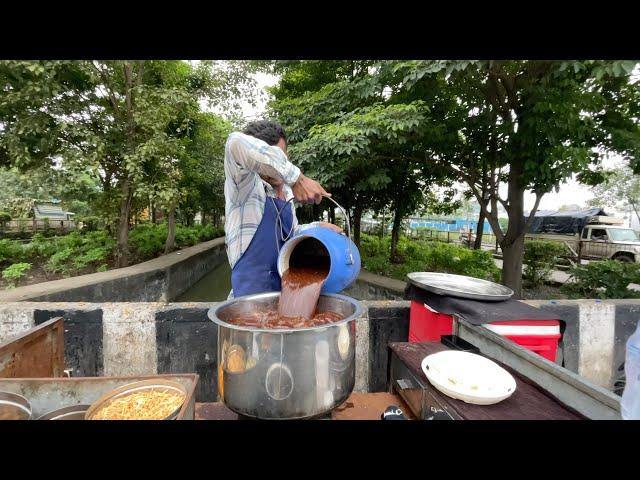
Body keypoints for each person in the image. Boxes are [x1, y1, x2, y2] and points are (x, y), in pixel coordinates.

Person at [224, 120, 342, 298]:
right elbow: (234, 143)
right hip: (248, 304)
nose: (276, 169)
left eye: (281, 157)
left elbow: (290, 235)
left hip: (286, 299)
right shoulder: (244, 186)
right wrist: (298, 179)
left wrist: (317, 226)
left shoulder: (287, 193)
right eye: (269, 159)